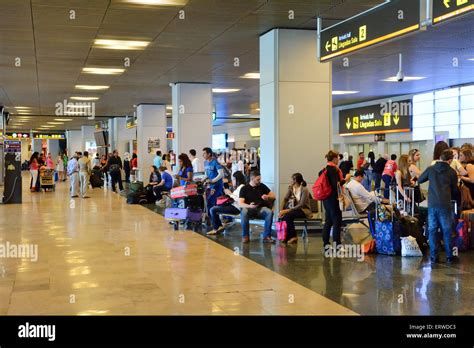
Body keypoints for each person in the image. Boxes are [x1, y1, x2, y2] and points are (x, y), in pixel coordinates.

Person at [418, 150, 459, 265]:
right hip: (445, 204)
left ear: (440, 158)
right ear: (450, 160)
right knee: (447, 230)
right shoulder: (451, 172)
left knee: (432, 231)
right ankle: (449, 256)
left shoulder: (431, 169)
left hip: (432, 204)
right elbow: (455, 190)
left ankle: (434, 257)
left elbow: (420, 179)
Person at [320, 150, 348, 250]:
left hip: (326, 199)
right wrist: (346, 179)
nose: (338, 159)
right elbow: (336, 185)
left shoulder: (324, 169)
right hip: (333, 199)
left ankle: (326, 245)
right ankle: (337, 245)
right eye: (338, 158)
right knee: (337, 221)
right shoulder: (333, 169)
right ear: (335, 158)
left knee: (328, 221)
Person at [239, 170, 275, 244]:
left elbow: (273, 196)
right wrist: (250, 206)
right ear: (252, 178)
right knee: (244, 211)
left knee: (269, 212)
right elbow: (241, 203)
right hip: (249, 209)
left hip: (260, 209)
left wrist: (267, 196)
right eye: (258, 179)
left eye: (260, 179)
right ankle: (245, 236)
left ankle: (266, 236)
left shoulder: (262, 186)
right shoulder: (244, 189)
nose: (260, 181)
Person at [207, 171, 247, 236]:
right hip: (233, 205)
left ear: (237, 179)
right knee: (215, 207)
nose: (232, 181)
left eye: (233, 179)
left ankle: (216, 228)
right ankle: (218, 226)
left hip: (236, 207)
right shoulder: (240, 187)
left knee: (213, 209)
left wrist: (230, 193)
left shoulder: (242, 187)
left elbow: (238, 200)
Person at [278, 173, 312, 244]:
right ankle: (286, 236)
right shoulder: (291, 188)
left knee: (288, 215)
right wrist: (281, 210)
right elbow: (285, 199)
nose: (291, 181)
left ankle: (293, 236)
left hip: (304, 210)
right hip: (295, 210)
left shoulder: (304, 190)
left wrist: (287, 210)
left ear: (295, 180)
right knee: (285, 216)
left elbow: (301, 204)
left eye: (292, 179)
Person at [202, 147, 225, 216]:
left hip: (217, 185)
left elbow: (221, 174)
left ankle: (211, 219)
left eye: (204, 153)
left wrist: (212, 181)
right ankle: (224, 218)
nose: (203, 155)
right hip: (211, 185)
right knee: (220, 202)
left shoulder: (215, 162)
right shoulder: (205, 162)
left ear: (209, 154)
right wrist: (202, 180)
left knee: (210, 201)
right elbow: (207, 174)